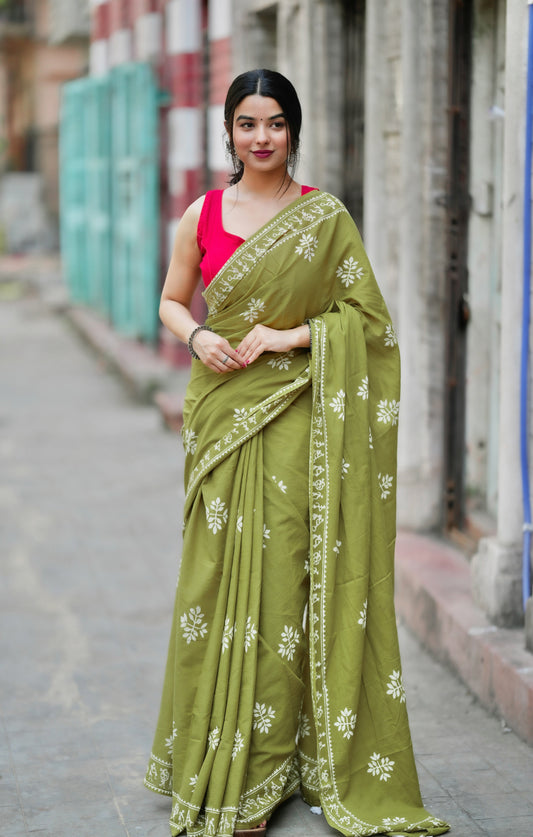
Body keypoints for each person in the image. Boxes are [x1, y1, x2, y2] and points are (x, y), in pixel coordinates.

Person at [144, 69, 449, 837]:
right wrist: (200, 335)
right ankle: (210, 751)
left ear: (293, 130)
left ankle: (265, 765)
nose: (261, 137)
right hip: (220, 417)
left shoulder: (322, 218)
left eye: (274, 123)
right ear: (229, 131)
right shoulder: (202, 215)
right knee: (214, 585)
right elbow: (172, 300)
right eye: (247, 124)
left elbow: (367, 321)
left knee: (280, 586)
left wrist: (289, 334)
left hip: (297, 419)